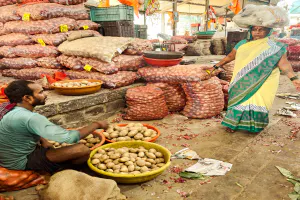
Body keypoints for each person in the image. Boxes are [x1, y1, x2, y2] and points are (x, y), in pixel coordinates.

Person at [0, 80, 108, 174]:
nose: (46, 95)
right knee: (82, 150)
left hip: (9, 156)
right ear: (27, 98)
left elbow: (26, 128)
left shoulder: (12, 109)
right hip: (19, 162)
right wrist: (97, 124)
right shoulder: (30, 117)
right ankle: (60, 171)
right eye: (41, 92)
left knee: (56, 147)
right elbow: (71, 138)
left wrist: (43, 140)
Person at [214, 26, 300, 133]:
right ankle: (232, 124)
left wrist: (294, 79)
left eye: (261, 30)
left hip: (264, 79)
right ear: (250, 31)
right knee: (238, 100)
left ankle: (255, 125)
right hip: (242, 79)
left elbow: (283, 63)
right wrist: (216, 66)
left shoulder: (275, 47)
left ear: (269, 31)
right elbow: (230, 56)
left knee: (259, 100)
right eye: (254, 29)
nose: (257, 32)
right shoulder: (242, 44)